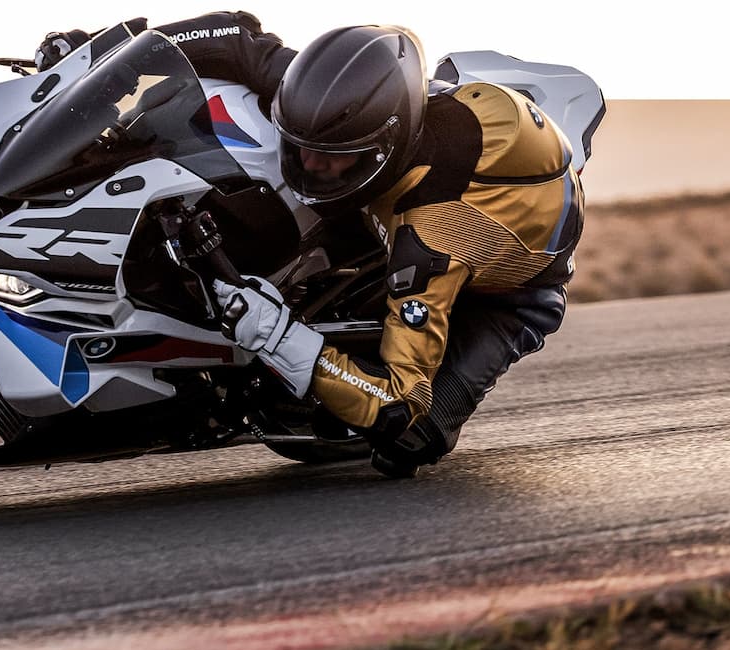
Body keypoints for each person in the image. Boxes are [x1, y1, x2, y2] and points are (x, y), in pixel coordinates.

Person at [35, 13, 589, 478]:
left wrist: (276, 334)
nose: (308, 163)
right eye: (301, 145)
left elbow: (402, 402)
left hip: (506, 294)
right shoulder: (331, 107)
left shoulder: (432, 239)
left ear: (382, 149)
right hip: (474, 131)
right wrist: (100, 55)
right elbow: (237, 37)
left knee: (411, 441)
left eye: (330, 157)